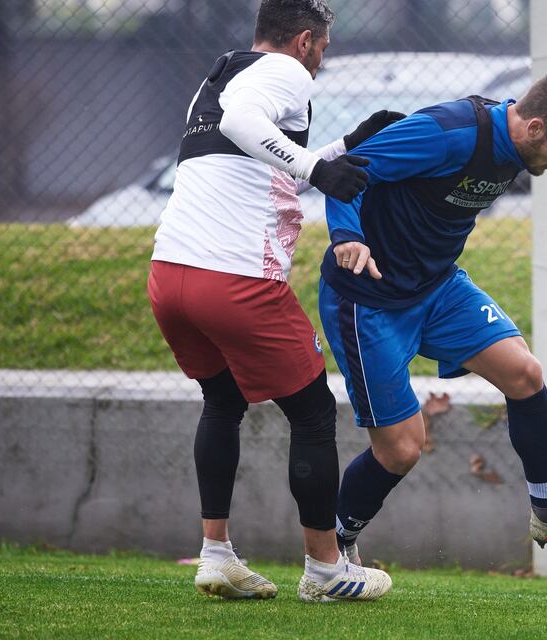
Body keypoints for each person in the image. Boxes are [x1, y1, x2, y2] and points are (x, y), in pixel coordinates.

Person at [318, 68, 547, 569]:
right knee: (402, 450)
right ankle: (334, 546)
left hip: (437, 287)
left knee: (524, 373)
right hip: (368, 297)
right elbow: (345, 172)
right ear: (534, 128)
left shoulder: (518, 145)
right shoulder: (448, 133)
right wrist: (347, 237)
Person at [147, 0, 399, 603]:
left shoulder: (221, 75)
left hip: (170, 273)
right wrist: (318, 167)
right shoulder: (285, 70)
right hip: (234, 278)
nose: (321, 62)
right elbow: (245, 125)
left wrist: (342, 147)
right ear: (305, 40)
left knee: (223, 400)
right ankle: (325, 569)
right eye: (323, 49)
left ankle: (216, 555)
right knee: (312, 412)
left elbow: (254, 160)